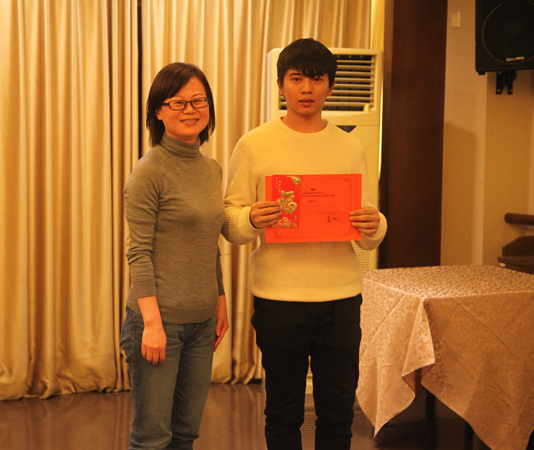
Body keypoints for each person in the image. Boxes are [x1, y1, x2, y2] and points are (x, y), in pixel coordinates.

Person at [222, 38, 387, 450]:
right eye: (296, 79)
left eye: (317, 79)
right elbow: (230, 221)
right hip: (279, 299)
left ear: (331, 86)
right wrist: (250, 218)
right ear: (281, 85)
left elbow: (369, 224)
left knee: (338, 412)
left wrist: (376, 224)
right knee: (283, 411)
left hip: (341, 298)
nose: (307, 88)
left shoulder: (350, 146)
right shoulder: (254, 144)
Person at [121, 62, 228, 450]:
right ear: (158, 112)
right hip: (158, 322)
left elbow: (208, 240)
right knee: (152, 438)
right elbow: (138, 252)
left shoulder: (211, 169)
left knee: (185, 435)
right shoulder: (148, 172)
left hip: (202, 322)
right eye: (178, 102)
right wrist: (152, 324)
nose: (190, 110)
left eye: (198, 101)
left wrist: (219, 298)